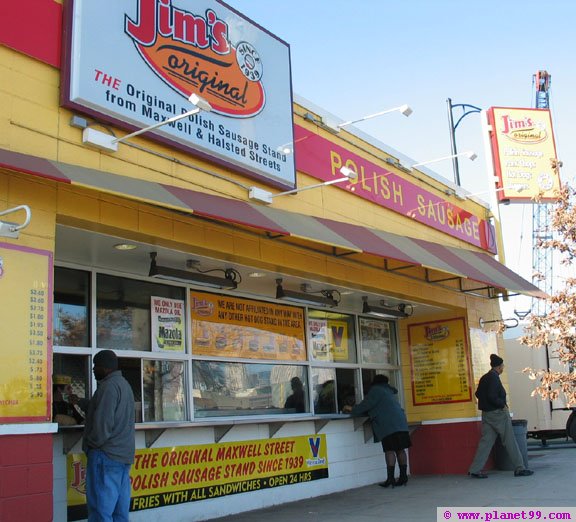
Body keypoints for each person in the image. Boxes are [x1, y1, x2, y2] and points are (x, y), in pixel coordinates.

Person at [83, 350, 135, 521]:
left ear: (105, 368)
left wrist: (91, 444)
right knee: (119, 512)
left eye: (95, 366)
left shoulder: (108, 387)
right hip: (122, 456)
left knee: (100, 511)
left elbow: (102, 425)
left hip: (106, 456)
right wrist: (83, 403)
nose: (93, 369)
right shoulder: (124, 385)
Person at [468, 353, 534, 479]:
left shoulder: (485, 377)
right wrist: (502, 404)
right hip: (498, 414)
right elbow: (492, 396)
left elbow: (478, 393)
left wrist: (487, 405)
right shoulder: (494, 378)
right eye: (502, 366)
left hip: (487, 415)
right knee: (510, 441)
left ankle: (475, 469)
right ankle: (520, 468)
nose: (503, 368)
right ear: (499, 367)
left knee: (485, 443)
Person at [343, 374, 411, 488]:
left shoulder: (376, 390)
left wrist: (351, 409)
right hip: (401, 422)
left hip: (388, 425)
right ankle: (403, 477)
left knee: (389, 450)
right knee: (400, 449)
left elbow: (365, 406)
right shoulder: (389, 391)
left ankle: (390, 479)